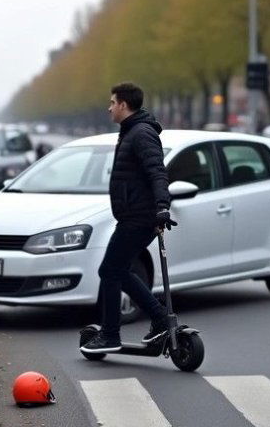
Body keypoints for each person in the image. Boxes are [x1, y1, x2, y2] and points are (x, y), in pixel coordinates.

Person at [80, 82, 177, 354]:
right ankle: (158, 318)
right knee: (118, 270)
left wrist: (162, 206)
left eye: (112, 102)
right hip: (134, 215)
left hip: (140, 216)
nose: (109, 107)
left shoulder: (141, 133)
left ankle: (111, 334)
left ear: (123, 105)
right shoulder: (131, 132)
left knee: (110, 271)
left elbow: (157, 171)